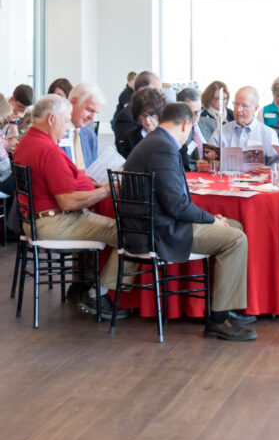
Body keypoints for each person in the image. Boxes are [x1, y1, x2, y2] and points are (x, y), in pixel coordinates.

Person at [124, 101, 256, 342]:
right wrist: (210, 220)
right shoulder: (163, 147)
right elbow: (176, 205)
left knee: (234, 226)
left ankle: (226, 308)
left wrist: (211, 220)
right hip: (160, 231)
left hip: (154, 224)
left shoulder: (155, 142)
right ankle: (218, 319)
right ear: (186, 124)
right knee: (236, 239)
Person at [12, 94, 129, 319]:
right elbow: (67, 201)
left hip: (36, 220)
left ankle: (83, 287)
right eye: (66, 121)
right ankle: (98, 294)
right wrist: (106, 190)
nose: (68, 128)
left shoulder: (27, 142)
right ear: (51, 119)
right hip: (54, 221)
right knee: (129, 234)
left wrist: (93, 186)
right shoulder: (47, 150)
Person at [203, 86, 279, 164]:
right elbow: (207, 160)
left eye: (245, 106)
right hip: (227, 175)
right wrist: (204, 164)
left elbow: (276, 166)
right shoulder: (221, 132)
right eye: (236, 104)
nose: (238, 110)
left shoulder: (268, 134)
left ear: (255, 108)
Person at [113, 71, 163, 156]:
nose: (161, 94)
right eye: (157, 90)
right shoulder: (127, 117)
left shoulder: (161, 113)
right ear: (144, 90)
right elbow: (127, 154)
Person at [60, 82, 105, 170]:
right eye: (89, 110)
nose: (92, 117)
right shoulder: (55, 132)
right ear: (73, 102)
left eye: (95, 113)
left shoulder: (90, 136)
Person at [118, 87, 165, 159]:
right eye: (143, 115)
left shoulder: (170, 135)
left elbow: (184, 167)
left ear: (159, 113)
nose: (148, 121)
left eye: (152, 115)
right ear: (138, 115)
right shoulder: (130, 137)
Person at [176, 87, 203, 170]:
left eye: (199, 110)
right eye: (193, 112)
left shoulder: (211, 123)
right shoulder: (176, 130)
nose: (197, 115)